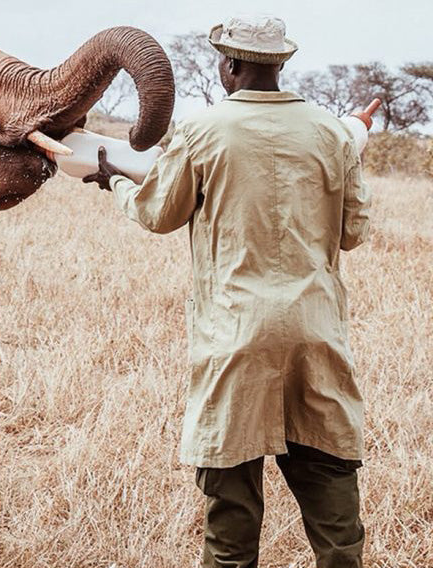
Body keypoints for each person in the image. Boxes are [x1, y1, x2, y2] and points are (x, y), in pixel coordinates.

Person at [85, 16, 371, 568]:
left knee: (230, 523)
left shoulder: (202, 130)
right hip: (317, 336)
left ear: (231, 64)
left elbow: (158, 213)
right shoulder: (331, 134)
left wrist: (115, 181)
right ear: (281, 63)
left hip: (234, 338)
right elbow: (352, 233)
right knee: (336, 516)